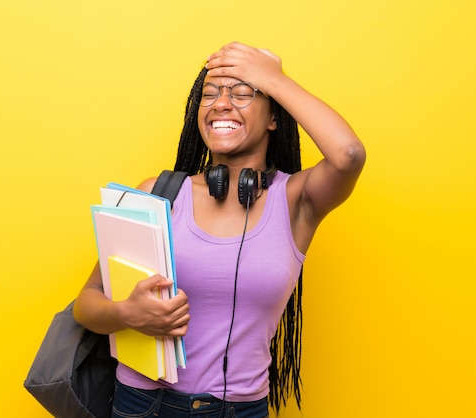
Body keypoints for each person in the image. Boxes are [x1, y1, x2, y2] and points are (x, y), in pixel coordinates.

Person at [73, 41, 366, 417]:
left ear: (274, 116)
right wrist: (126, 314)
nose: (221, 104)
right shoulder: (156, 194)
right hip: (145, 405)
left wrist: (274, 79)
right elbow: (87, 302)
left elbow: (349, 155)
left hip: (241, 410)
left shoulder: (296, 201)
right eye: (209, 95)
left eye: (243, 93)